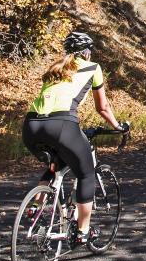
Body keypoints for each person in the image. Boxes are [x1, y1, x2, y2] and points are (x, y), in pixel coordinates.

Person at [22, 31, 124, 246]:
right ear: (87, 52)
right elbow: (102, 107)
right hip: (62, 125)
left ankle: (35, 207)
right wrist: (118, 127)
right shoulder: (93, 67)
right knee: (86, 173)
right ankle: (82, 232)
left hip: (31, 126)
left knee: (56, 165)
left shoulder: (55, 69)